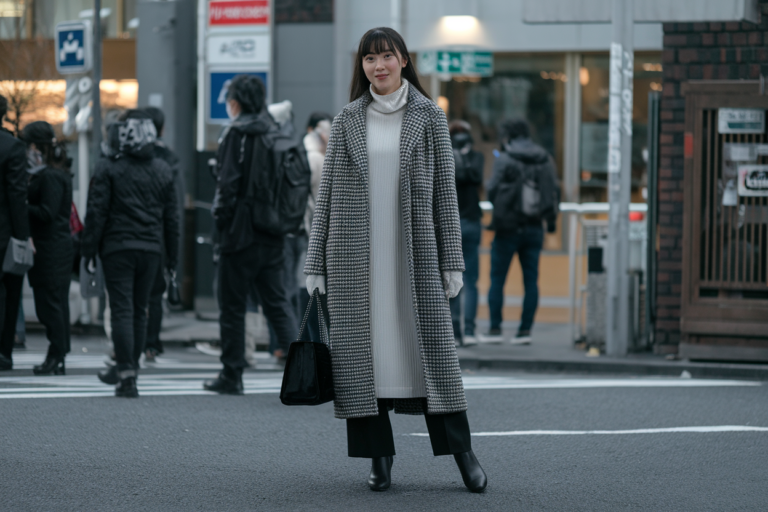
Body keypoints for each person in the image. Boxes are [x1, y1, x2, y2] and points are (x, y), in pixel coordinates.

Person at [304, 27, 487, 493]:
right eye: (369, 58)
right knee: (361, 362)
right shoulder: (347, 119)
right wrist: (315, 262)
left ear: (404, 60)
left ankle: (463, 453)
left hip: (413, 255)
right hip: (353, 257)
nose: (378, 66)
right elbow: (326, 196)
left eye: (386, 56)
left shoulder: (429, 116)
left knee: (434, 359)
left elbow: (445, 194)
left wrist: (452, 261)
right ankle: (378, 457)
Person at [203, 74, 298, 395]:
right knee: (277, 303)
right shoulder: (276, 132)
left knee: (232, 306)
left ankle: (232, 375)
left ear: (236, 102)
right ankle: (302, 374)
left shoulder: (236, 133)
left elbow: (228, 185)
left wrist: (220, 222)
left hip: (239, 233)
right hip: (273, 229)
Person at [81, 109, 180, 397]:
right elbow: (172, 219)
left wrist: (88, 250)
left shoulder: (108, 167)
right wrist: (172, 259)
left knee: (122, 309)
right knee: (139, 310)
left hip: (118, 248)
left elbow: (97, 212)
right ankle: (131, 370)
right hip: (151, 250)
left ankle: (125, 373)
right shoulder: (163, 169)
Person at [485, 118, 559, 344]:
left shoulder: (505, 158)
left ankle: (495, 330)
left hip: (506, 228)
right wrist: (551, 221)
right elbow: (554, 190)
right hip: (534, 226)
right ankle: (525, 331)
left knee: (497, 279)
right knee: (531, 281)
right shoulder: (544, 158)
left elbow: (491, 189)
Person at [21, 121, 74, 375]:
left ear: (37, 146)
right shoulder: (56, 172)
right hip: (56, 246)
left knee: (49, 304)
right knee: (56, 303)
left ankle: (57, 354)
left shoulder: (50, 176)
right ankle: (58, 355)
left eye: (29, 145)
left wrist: (22, 206)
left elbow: (47, 213)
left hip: (50, 248)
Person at [142, 106, 184, 362]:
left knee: (131, 295)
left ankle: (132, 343)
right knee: (155, 295)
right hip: (157, 237)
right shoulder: (169, 159)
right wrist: (174, 254)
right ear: (162, 128)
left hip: (130, 236)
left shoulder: (128, 156)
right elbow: (174, 210)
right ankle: (151, 343)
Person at [447, 120, 484, 346]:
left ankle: (454, 332)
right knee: (470, 280)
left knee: (450, 276)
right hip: (471, 220)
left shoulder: (444, 157)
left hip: (449, 225)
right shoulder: (476, 157)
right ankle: (469, 330)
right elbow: (477, 179)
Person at [0, 94, 30, 371]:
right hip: (5, 234)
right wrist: (24, 236)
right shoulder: (12, 147)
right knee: (10, 295)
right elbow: (17, 196)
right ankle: (4, 352)